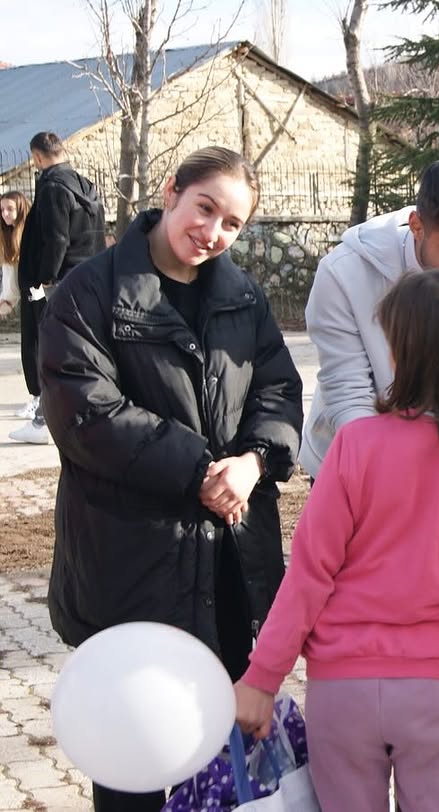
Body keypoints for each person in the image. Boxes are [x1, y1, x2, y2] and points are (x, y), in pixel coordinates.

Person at [37, 146, 304, 812]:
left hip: (229, 562)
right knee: (135, 753)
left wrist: (253, 462)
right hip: (133, 561)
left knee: (227, 755)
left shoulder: (242, 296)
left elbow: (278, 390)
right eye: (205, 208)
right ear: (170, 192)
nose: (213, 232)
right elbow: (85, 412)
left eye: (232, 223)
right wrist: (197, 470)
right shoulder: (88, 293)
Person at [234, 270, 439, 812]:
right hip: (436, 689)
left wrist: (261, 680)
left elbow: (307, 575)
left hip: (341, 689)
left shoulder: (353, 445)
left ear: (397, 354)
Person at [300, 156, 439, 479]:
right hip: (356, 464)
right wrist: (392, 478)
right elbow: (348, 390)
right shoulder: (343, 271)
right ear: (417, 227)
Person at [12, 132, 106, 444]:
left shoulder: (52, 187)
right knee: (79, 351)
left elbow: (56, 238)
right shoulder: (85, 185)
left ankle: (44, 422)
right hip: (87, 274)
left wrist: (44, 279)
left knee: (50, 349)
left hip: (59, 280)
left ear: (37, 157)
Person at [0, 191, 28, 319]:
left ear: (21, 209)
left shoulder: (28, 234)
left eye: (10, 209)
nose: (5, 213)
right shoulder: (8, 236)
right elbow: (9, 272)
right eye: (2, 209)